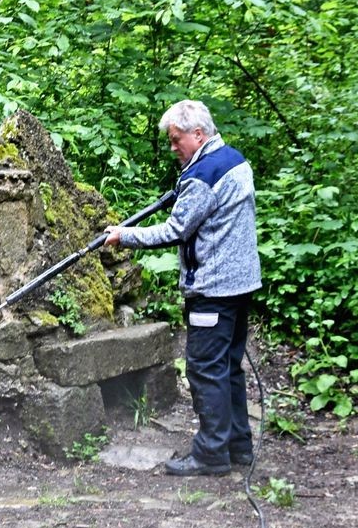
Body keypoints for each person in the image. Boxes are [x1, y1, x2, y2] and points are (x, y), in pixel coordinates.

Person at [104, 99, 261, 476]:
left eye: (176, 140)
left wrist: (124, 236)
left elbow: (175, 230)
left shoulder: (202, 176)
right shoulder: (235, 160)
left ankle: (210, 454)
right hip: (241, 286)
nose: (173, 147)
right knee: (228, 368)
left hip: (213, 288)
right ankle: (238, 446)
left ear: (198, 134)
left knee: (205, 369)